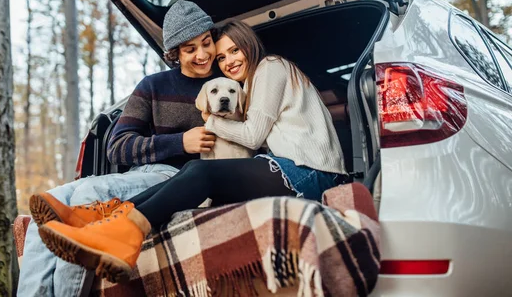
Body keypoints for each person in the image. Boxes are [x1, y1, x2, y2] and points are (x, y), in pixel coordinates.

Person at [34, 19, 346, 283]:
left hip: (310, 173)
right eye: (222, 58)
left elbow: (251, 136)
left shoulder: (270, 67)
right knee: (191, 172)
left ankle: (123, 233)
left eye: (234, 50)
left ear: (249, 45)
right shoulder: (249, 87)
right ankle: (101, 218)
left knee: (198, 171)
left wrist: (209, 119)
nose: (229, 61)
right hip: (287, 168)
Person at [17, 0, 219, 296]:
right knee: (44, 212)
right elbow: (117, 148)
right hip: (139, 173)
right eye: (190, 49)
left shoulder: (227, 85)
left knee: (88, 195)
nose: (203, 55)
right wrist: (180, 141)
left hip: (176, 178)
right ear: (174, 53)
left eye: (206, 42)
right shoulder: (153, 85)